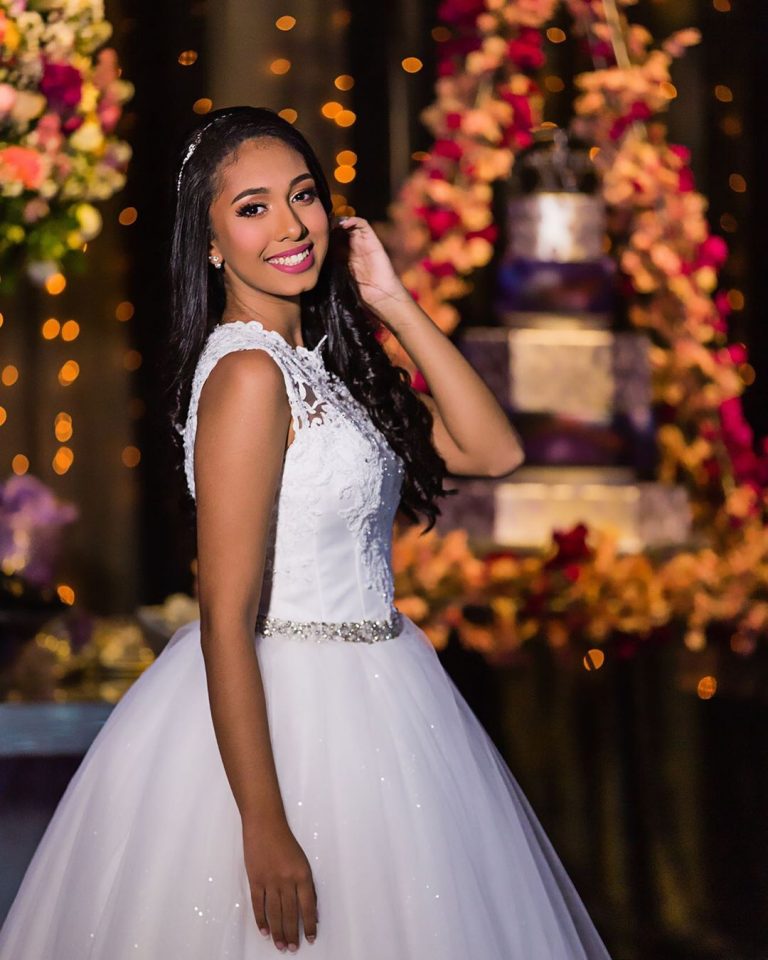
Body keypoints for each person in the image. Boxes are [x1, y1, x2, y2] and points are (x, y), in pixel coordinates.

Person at [0, 106, 613, 959]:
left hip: (385, 691)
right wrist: (262, 823)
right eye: (252, 208)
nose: (290, 225)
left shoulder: (325, 370)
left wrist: (391, 301)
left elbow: (494, 449)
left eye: (303, 196)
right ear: (211, 243)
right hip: (293, 713)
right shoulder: (250, 374)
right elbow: (223, 617)